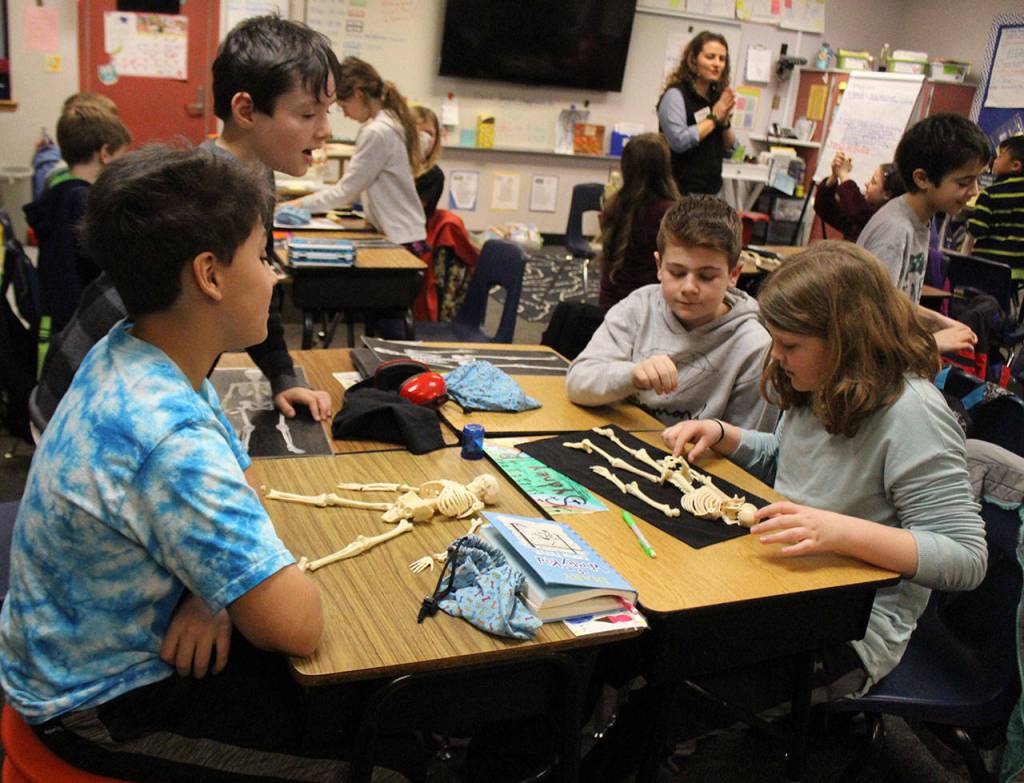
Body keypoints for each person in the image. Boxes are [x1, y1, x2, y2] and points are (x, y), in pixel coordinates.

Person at [0, 144, 351, 781]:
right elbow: (299, 626)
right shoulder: (166, 433)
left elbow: (240, 480)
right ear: (210, 276)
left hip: (86, 651)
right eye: (264, 255)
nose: (276, 277)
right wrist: (236, 582)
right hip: (98, 705)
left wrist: (208, 594)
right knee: (381, 756)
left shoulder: (135, 350)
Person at [661, 241, 986, 737]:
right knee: (651, 640)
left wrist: (837, 531)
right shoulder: (821, 381)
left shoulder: (912, 414)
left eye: (789, 346)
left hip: (848, 630)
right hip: (784, 587)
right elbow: (789, 458)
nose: (777, 356)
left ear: (847, 340)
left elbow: (966, 558)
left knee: (668, 697)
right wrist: (728, 437)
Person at [30, 15, 337, 431]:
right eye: (308, 114)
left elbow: (256, 291)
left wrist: (281, 376)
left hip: (131, 395)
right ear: (246, 109)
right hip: (85, 404)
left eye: (327, 112)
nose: (325, 131)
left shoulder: (252, 177)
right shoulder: (205, 194)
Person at [567, 195, 777, 431]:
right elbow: (577, 383)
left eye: (706, 276)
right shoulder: (639, 308)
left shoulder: (754, 347)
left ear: (734, 274)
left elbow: (748, 449)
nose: (689, 288)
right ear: (659, 266)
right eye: (677, 273)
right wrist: (631, 375)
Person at [857, 113, 990, 354]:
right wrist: (934, 343)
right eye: (963, 183)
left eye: (976, 180)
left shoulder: (919, 221)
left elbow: (895, 300)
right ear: (922, 179)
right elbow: (869, 324)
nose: (974, 191)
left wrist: (938, 321)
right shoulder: (895, 231)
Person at [285, 56, 427, 253]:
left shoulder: (377, 131)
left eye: (343, 106)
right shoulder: (392, 121)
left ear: (358, 95)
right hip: (406, 233)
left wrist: (297, 204)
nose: (344, 114)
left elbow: (346, 192)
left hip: (400, 237)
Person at [23, 102, 131, 333]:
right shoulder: (83, 201)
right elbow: (109, 263)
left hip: (56, 312)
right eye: (121, 156)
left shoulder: (58, 191)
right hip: (77, 320)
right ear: (104, 154)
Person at [596, 132, 681, 309]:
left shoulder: (613, 205)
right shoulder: (671, 214)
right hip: (650, 310)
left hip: (610, 305)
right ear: (665, 167)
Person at [656, 30, 737, 196]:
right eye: (710, 57)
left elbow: (731, 149)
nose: (717, 64)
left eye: (722, 59)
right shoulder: (675, 95)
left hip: (711, 193)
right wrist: (714, 117)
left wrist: (724, 121)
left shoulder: (717, 98)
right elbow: (679, 142)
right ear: (693, 60)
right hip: (678, 193)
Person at [814, 151, 904, 241]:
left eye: (873, 182)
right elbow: (824, 208)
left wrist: (843, 174)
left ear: (887, 194)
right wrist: (834, 176)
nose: (866, 184)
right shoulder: (861, 214)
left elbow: (858, 210)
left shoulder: (884, 220)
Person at [963, 134, 1024, 264]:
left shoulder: (990, 194)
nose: (995, 160)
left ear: (1015, 165)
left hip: (988, 267)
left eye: (1000, 156)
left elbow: (976, 230)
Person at [413, 104, 445, 219]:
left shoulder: (434, 174)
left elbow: (411, 210)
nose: (424, 139)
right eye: (419, 133)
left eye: (430, 134)